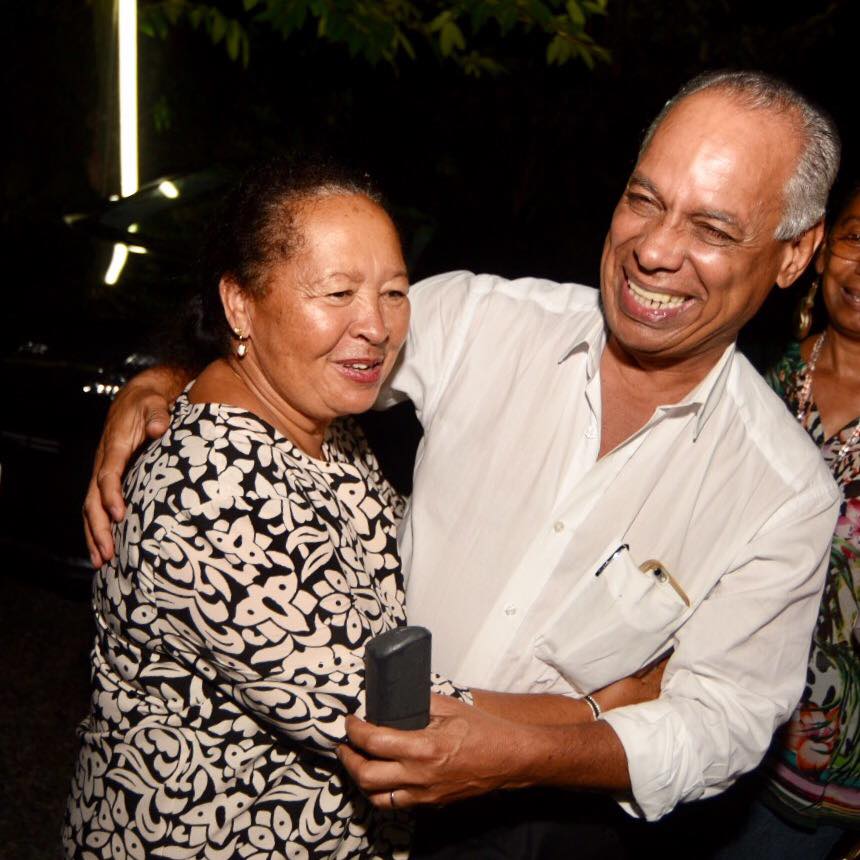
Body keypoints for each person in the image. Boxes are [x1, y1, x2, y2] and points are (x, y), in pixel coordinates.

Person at [84, 71, 842, 857]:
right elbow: (292, 346)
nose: (653, 249)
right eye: (643, 200)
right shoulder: (486, 319)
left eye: (713, 229)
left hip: (534, 824)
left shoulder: (783, 493)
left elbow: (720, 723)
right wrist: (167, 376)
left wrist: (537, 753)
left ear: (795, 254)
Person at [64, 160, 663, 860]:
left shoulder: (321, 421)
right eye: (338, 292)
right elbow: (396, 720)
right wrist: (596, 712)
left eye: (395, 292)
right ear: (239, 304)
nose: (376, 326)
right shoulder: (209, 493)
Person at [708, 181, 860, 859]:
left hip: (822, 771)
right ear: (822, 251)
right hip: (707, 715)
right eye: (857, 241)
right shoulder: (755, 374)